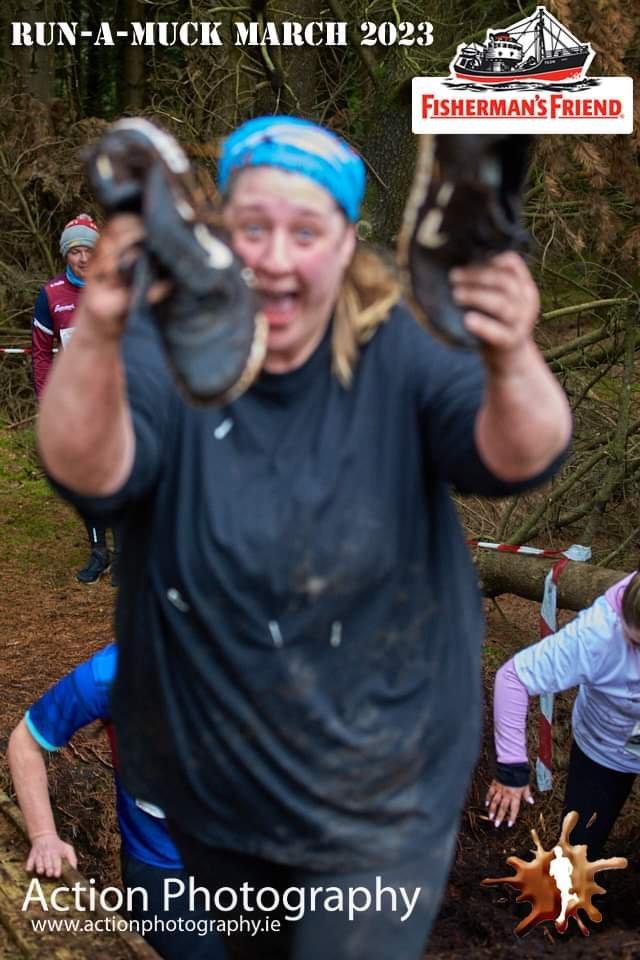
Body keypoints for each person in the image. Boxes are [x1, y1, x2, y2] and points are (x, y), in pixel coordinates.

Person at [37, 116, 572, 960]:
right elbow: (86, 471)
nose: (277, 257)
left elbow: (521, 454)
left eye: (306, 232)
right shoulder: (168, 348)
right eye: (254, 228)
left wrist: (509, 354)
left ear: (347, 242)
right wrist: (99, 332)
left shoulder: (401, 345)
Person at [6, 643, 225, 960]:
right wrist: (43, 836)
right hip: (163, 866)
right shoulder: (112, 672)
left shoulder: (276, 662)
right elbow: (25, 742)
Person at [486, 571, 640, 858]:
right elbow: (513, 678)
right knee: (578, 851)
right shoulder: (599, 633)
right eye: (634, 642)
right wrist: (511, 770)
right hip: (604, 748)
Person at [31, 214, 118, 585]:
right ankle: (99, 552)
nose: (83, 258)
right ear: (65, 254)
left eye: (89, 250)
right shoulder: (51, 295)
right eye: (74, 251)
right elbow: (40, 354)